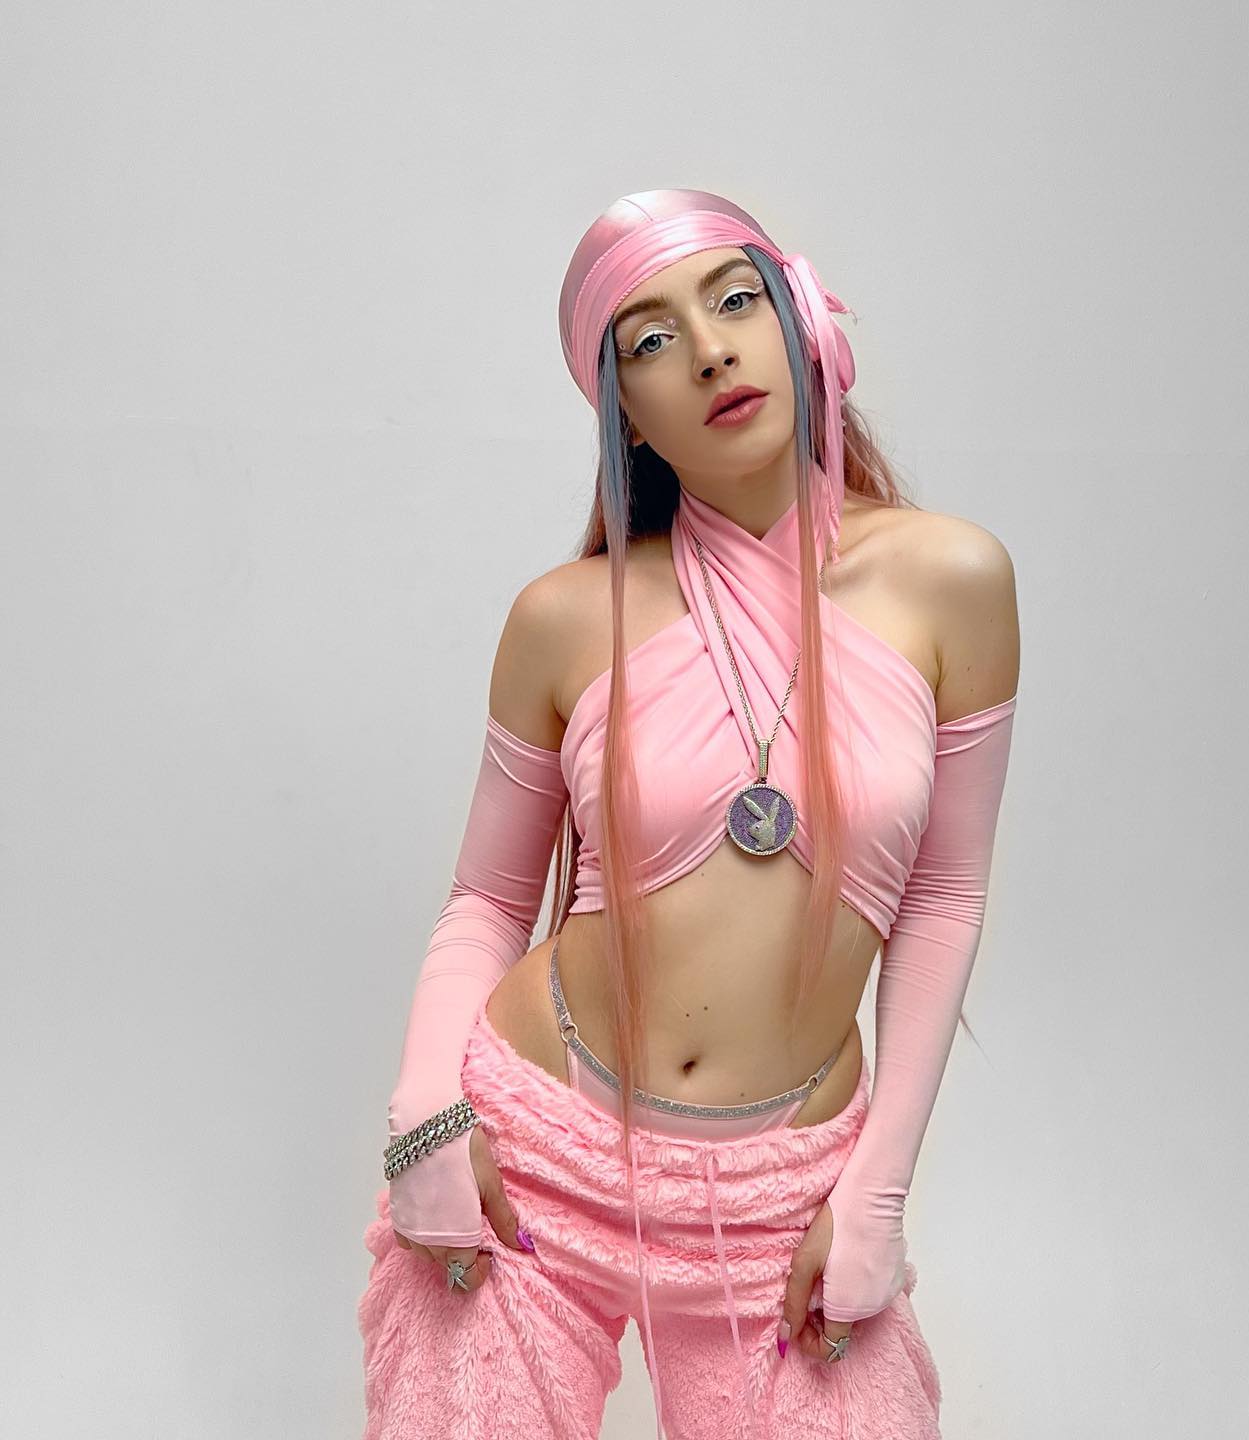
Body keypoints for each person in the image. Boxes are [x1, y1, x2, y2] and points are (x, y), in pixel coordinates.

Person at [357, 188, 1021, 1440]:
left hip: (783, 1185)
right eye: (651, 339)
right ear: (626, 413)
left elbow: (942, 896)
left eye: (736, 300)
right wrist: (424, 1120)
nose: (711, 350)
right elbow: (487, 899)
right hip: (539, 1151)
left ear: (800, 325)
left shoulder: (954, 581)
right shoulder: (565, 616)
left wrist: (877, 1192)